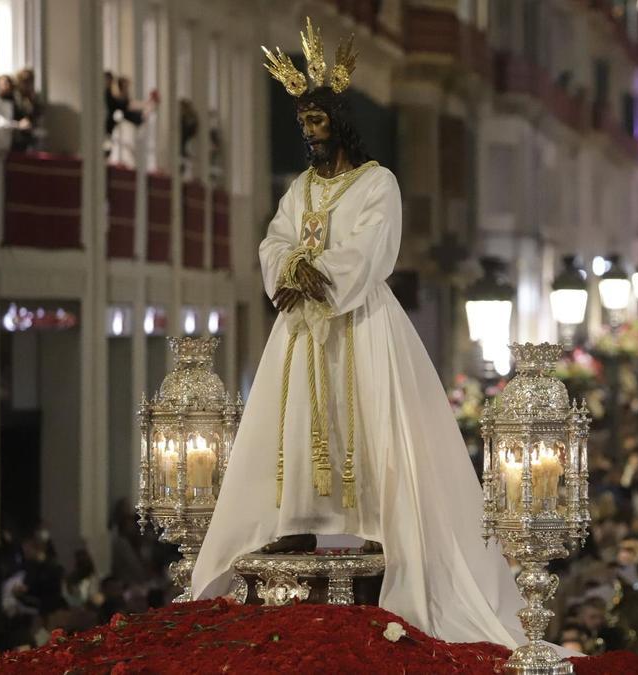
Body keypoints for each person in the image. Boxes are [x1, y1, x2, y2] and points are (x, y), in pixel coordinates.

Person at [192, 21, 526, 647]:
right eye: (303, 125)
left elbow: (374, 246)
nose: (309, 136)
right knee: (294, 421)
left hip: (360, 320)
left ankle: (375, 518)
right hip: (301, 328)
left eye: (317, 123)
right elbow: (276, 239)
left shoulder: (378, 182)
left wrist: (318, 274)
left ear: (339, 123)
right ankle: (295, 517)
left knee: (369, 417)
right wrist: (289, 271)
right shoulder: (301, 188)